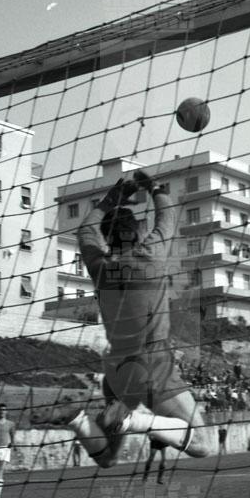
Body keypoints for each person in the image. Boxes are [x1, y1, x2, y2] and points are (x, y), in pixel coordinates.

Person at [29, 170, 209, 466]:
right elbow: (168, 215)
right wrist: (153, 187)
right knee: (201, 444)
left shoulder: (98, 267)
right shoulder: (151, 255)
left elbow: (86, 230)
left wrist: (111, 199)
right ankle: (133, 420)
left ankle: (76, 418)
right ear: (136, 232)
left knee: (108, 457)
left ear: (106, 236)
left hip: (116, 370)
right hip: (152, 365)